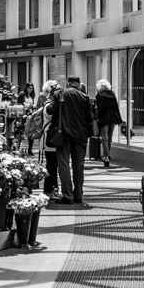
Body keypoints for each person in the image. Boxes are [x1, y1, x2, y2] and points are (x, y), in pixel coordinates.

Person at [56, 74, 94, 206]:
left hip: (64, 135)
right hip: (81, 136)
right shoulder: (85, 97)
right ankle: (78, 194)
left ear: (68, 83)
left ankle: (67, 195)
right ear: (78, 84)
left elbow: (51, 111)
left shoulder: (60, 94)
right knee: (78, 165)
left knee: (64, 164)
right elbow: (90, 118)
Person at [39, 80, 63, 203]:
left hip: (50, 138)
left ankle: (52, 189)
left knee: (53, 165)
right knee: (51, 166)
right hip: (50, 138)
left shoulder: (49, 104)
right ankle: (49, 190)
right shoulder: (49, 106)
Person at [93, 78, 123, 168]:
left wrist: (96, 117)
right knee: (109, 138)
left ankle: (106, 157)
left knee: (104, 139)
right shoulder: (112, 94)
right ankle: (108, 154)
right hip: (112, 118)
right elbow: (116, 107)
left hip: (104, 118)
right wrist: (119, 119)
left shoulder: (99, 95)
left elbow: (100, 109)